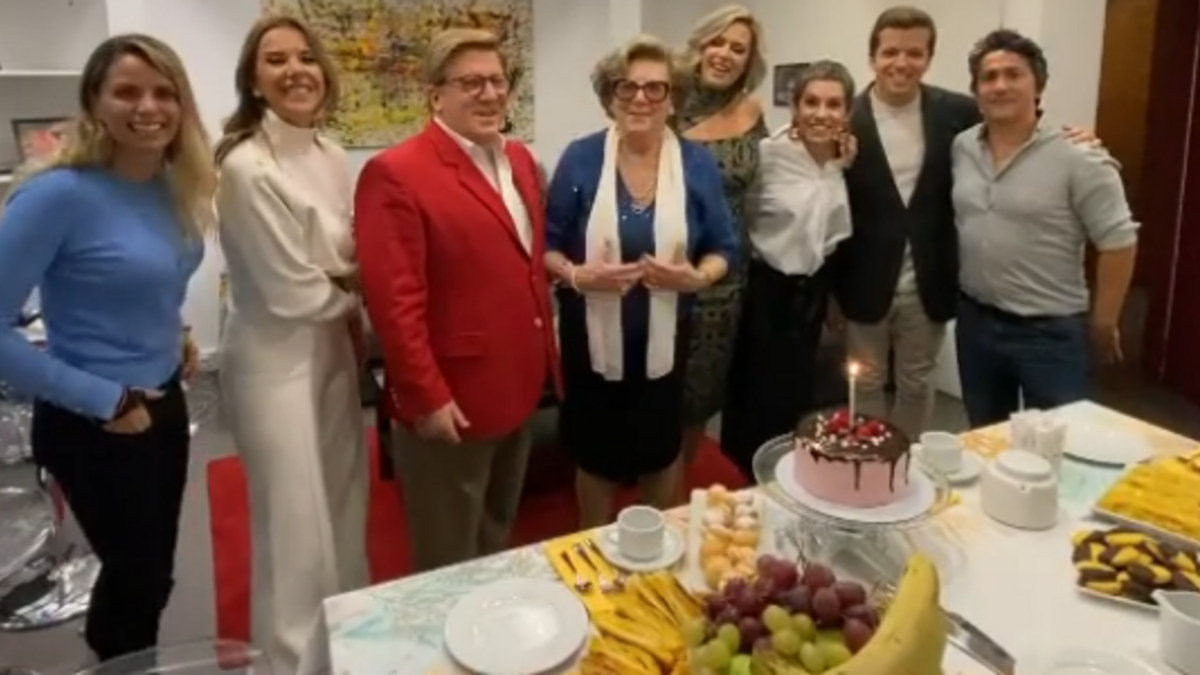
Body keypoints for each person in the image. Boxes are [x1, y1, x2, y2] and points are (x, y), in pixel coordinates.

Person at [0, 34, 214, 661]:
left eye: (164, 92)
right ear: (95, 101)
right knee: (136, 581)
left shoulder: (171, 184)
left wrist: (176, 332)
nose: (148, 107)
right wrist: (106, 400)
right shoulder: (57, 195)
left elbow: (145, 278)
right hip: (93, 421)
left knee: (151, 577)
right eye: (127, 92)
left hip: (162, 403)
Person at [829, 5, 1098, 438]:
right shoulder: (844, 119)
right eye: (891, 52)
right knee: (866, 382)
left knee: (917, 381)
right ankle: (870, 457)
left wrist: (1073, 135)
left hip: (930, 280)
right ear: (872, 57)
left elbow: (1016, 127)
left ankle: (909, 460)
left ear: (929, 58)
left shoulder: (958, 111)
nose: (901, 63)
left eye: (914, 53)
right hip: (862, 279)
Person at [355, 28, 558, 572]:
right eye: (471, 83)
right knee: (448, 556)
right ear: (436, 95)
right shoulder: (396, 173)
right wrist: (425, 396)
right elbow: (395, 303)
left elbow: (523, 264)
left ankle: (488, 615)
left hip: (517, 382)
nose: (490, 94)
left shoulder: (519, 160)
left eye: (498, 81)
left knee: (496, 530)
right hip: (452, 397)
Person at [213, 15, 368, 672]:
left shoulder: (330, 153)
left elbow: (348, 255)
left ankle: (349, 644)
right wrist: (364, 297)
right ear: (253, 80)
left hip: (331, 348)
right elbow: (291, 290)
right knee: (294, 525)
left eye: (306, 57)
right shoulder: (245, 166)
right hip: (274, 362)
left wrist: (349, 283)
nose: (296, 70)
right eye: (276, 60)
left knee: (345, 501)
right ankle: (290, 660)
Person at [544, 35, 739, 528]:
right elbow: (545, 248)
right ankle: (593, 544)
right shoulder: (580, 157)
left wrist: (696, 277)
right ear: (609, 96)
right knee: (594, 456)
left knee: (660, 449)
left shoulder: (696, 163)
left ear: (673, 98)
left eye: (656, 88)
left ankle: (657, 548)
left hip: (667, 340)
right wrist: (576, 274)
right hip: (590, 341)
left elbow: (724, 248)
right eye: (626, 87)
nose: (640, 98)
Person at [953, 29, 1137, 426]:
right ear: (976, 91)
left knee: (1059, 442)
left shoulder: (1080, 156)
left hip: (1049, 333)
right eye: (989, 77)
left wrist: (1105, 320)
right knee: (984, 436)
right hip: (975, 323)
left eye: (1013, 74)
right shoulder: (962, 147)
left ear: (1038, 85)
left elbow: (1119, 241)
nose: (1000, 85)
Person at [721, 61, 857, 478]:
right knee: (753, 397)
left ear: (847, 112)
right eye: (811, 102)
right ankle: (743, 481)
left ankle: (781, 478)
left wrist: (833, 298)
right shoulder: (767, 155)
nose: (821, 113)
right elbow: (736, 215)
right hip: (764, 291)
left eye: (833, 104)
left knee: (796, 394)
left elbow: (831, 234)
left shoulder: (840, 160)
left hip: (811, 294)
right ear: (795, 107)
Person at [675, 5, 769, 464]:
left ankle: (678, 483)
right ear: (699, 46)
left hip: (727, 279)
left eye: (738, 48)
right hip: (665, 268)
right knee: (656, 388)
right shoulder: (664, 104)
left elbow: (775, 180)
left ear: (749, 61)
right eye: (717, 42)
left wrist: (832, 155)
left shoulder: (753, 113)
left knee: (702, 393)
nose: (725, 54)